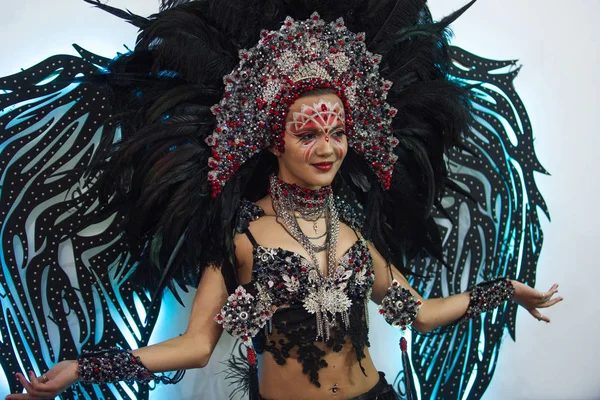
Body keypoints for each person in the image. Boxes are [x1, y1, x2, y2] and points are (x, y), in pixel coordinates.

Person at [2, 1, 561, 399]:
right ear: (274, 140)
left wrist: (504, 290)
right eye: (308, 134)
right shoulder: (242, 237)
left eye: (338, 132)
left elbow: (421, 313)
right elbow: (196, 345)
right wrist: (83, 368)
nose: (328, 148)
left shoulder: (354, 238)